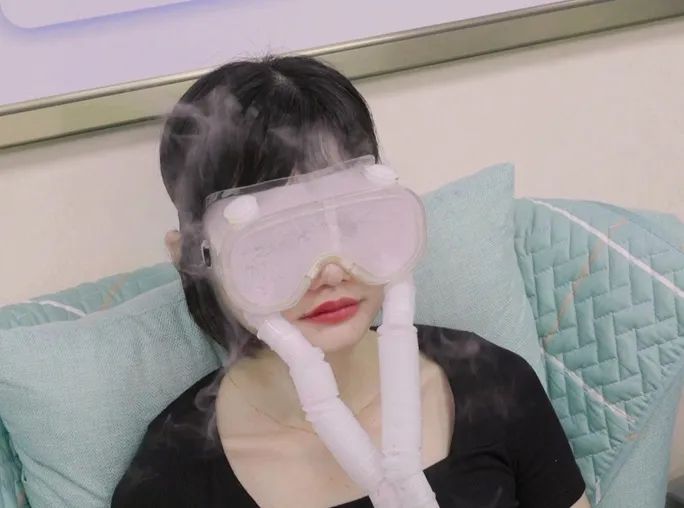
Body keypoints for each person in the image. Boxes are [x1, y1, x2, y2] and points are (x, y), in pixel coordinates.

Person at [112, 55, 590, 508]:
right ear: (193, 256)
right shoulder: (170, 480)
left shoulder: (493, 383)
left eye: (351, 220)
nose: (332, 270)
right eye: (279, 239)